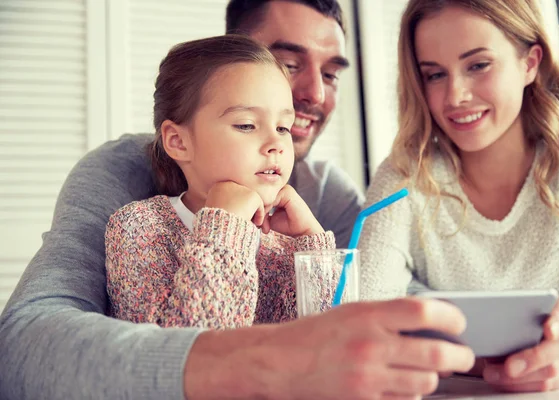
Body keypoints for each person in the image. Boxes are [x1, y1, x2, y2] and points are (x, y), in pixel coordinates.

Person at [0, 1, 477, 399]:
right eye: (288, 65)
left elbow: (374, 309)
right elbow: (26, 342)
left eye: (331, 73)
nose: (313, 92)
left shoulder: (320, 195)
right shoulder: (129, 198)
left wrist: (314, 249)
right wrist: (225, 228)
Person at [359, 0, 559, 392]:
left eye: (478, 65)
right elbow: (366, 314)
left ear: (530, 63)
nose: (455, 95)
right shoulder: (406, 173)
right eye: (434, 74)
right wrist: (484, 360)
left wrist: (449, 346)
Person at [106, 35, 336, 329]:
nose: (276, 143)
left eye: (283, 127)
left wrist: (313, 248)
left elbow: (331, 341)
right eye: (246, 125)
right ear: (178, 141)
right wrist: (225, 227)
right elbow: (181, 353)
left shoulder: (285, 244)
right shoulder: (140, 228)